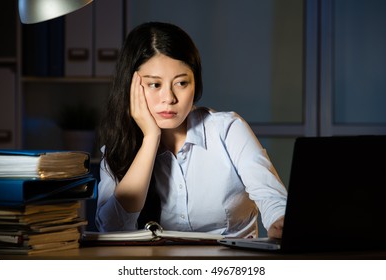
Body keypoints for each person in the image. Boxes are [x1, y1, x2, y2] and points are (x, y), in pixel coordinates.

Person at [96, 21, 287, 239]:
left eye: (181, 83)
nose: (169, 98)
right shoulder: (118, 148)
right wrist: (151, 139)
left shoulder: (227, 130)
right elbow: (111, 229)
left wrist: (279, 220)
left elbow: (271, 197)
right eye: (154, 85)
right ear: (130, 86)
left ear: (195, 84)